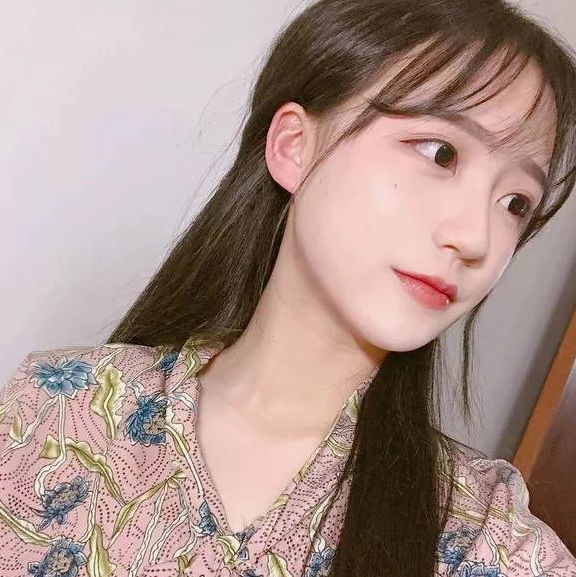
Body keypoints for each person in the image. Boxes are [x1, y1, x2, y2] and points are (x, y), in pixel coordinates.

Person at [1, 0, 576, 575]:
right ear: (294, 146)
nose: (476, 237)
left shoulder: (483, 537)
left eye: (515, 203)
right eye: (441, 153)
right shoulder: (57, 410)